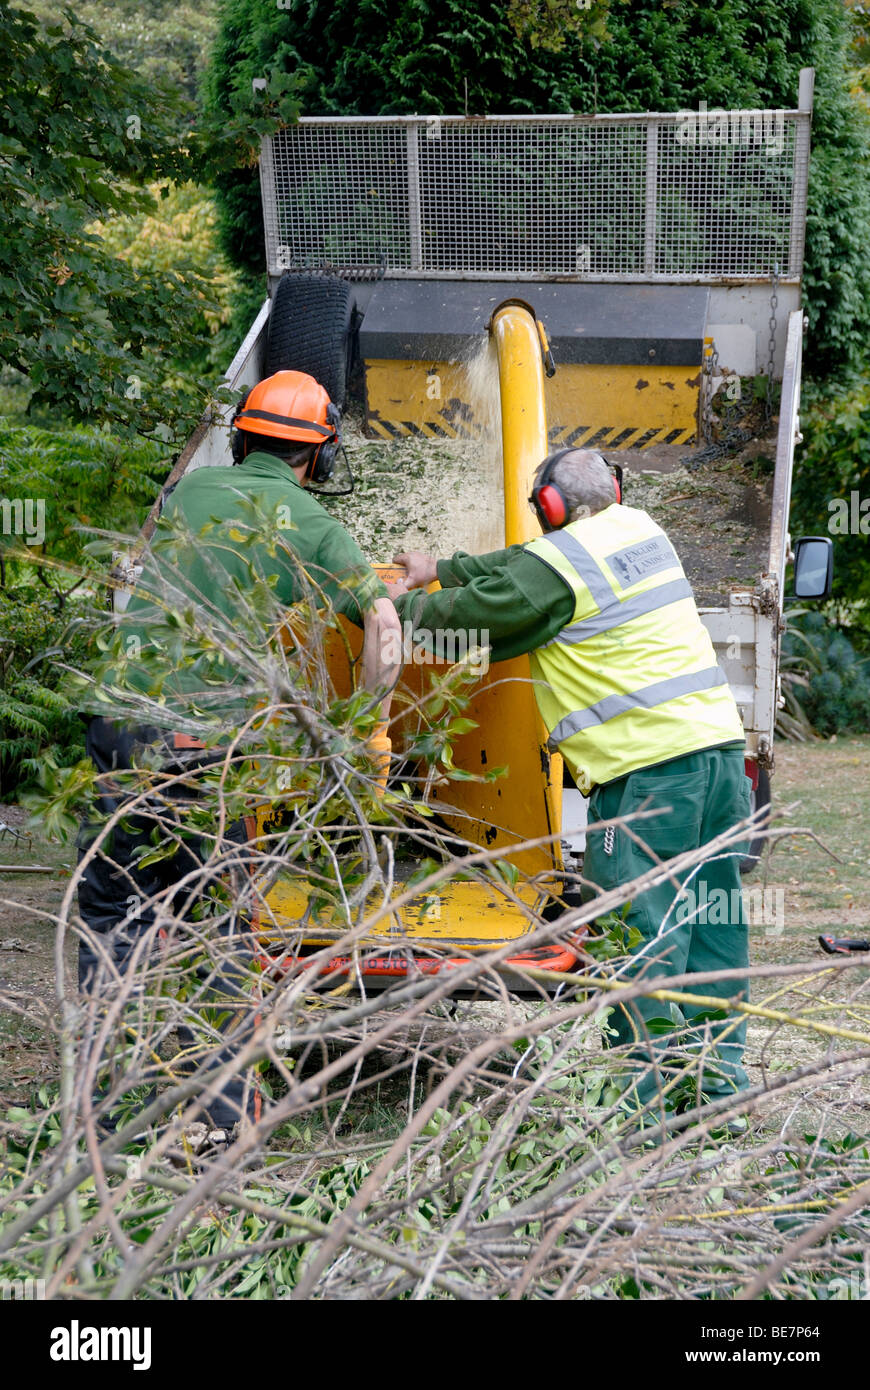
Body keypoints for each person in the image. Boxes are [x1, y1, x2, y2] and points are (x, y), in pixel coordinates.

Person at [77, 370, 402, 1135]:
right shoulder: (317, 527)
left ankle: (102, 1104)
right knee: (217, 918)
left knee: (114, 905)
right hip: (203, 742)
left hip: (119, 723)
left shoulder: (191, 493)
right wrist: (371, 728)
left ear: (244, 436)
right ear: (317, 457)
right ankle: (221, 1116)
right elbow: (384, 628)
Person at [393, 448, 752, 1124]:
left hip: (644, 780)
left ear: (549, 508)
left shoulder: (559, 570)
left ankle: (645, 1111)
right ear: (612, 489)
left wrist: (387, 612)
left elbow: (482, 615)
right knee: (713, 922)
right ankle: (718, 1089)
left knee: (635, 934)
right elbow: (523, 567)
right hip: (719, 757)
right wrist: (440, 569)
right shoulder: (642, 529)